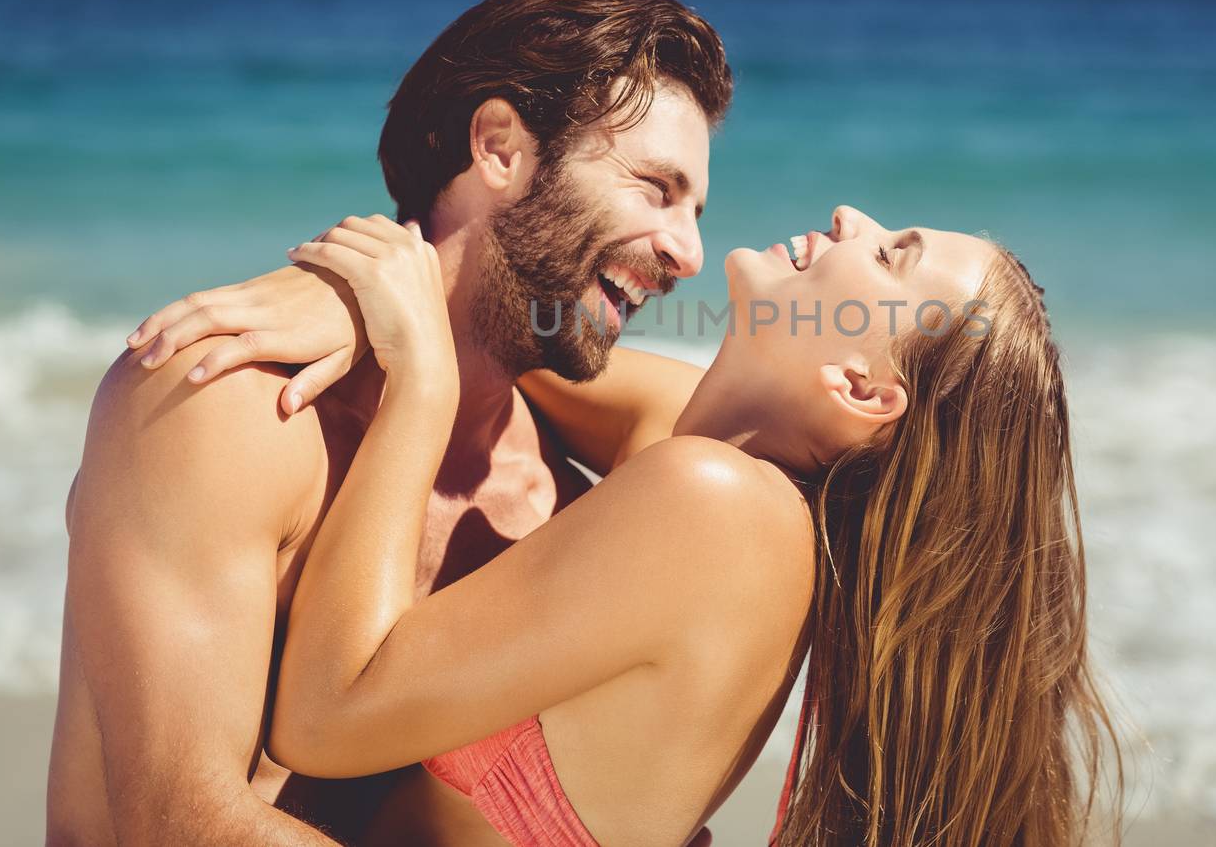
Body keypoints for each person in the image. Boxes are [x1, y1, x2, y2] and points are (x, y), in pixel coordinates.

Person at [138, 204, 1125, 847]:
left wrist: (420, 390)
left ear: (860, 386)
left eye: (891, 253)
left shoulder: (717, 504)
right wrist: (348, 302)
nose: (849, 218)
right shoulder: (693, 443)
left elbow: (323, 717)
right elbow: (508, 341)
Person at [45, 0, 733, 846]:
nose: (690, 252)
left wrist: (418, 354)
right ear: (500, 147)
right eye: (655, 189)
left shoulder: (555, 496)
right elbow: (179, 824)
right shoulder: (227, 402)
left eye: (695, 209)